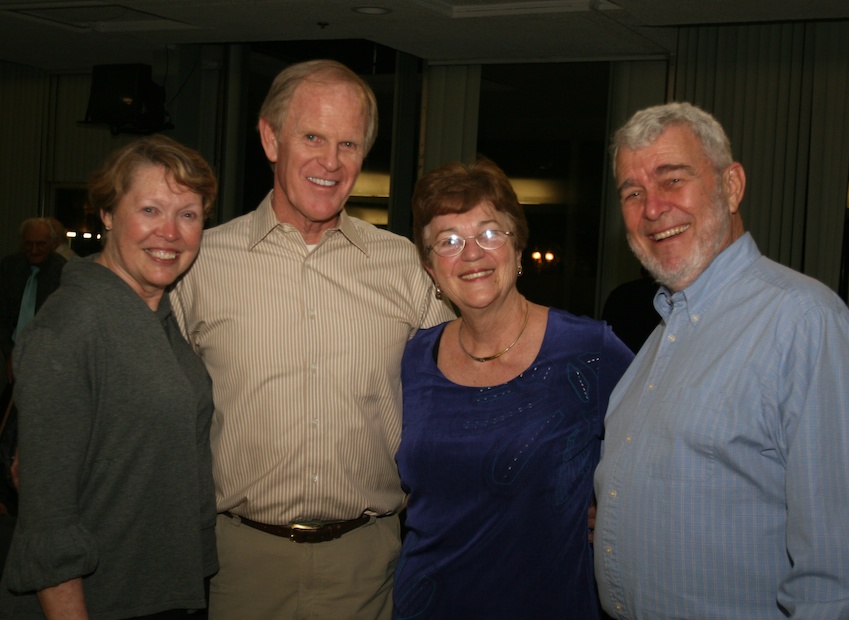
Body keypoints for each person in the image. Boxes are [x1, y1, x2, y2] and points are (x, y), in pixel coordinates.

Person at [170, 59, 454, 619]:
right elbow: (146, 399)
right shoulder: (200, 264)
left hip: (369, 565)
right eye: (312, 137)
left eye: (348, 143)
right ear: (270, 138)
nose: (330, 161)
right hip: (237, 565)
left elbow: (468, 387)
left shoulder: (404, 266)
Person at [593, 102, 849, 618]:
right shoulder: (664, 328)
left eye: (672, 179)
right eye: (632, 193)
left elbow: (843, 577)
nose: (653, 208)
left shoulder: (802, 322)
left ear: (731, 186)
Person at [392, 158, 633, 619]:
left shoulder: (588, 349)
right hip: (427, 605)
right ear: (429, 269)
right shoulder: (412, 359)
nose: (471, 254)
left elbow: (665, 446)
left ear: (518, 248)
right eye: (448, 241)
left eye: (488, 233)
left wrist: (623, 509)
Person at [0, 135, 219, 619]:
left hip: (162, 592)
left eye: (188, 214)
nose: (170, 232)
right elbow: (48, 522)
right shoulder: (71, 327)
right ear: (105, 215)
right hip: (98, 603)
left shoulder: (156, 319)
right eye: (150, 210)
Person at [0, 218, 66, 383]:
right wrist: (10, 353)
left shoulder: (63, 271)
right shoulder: (9, 267)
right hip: (8, 350)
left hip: (48, 358)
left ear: (53, 243)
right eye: (29, 244)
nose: (34, 250)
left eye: (41, 244)